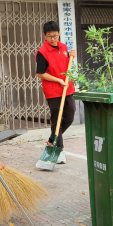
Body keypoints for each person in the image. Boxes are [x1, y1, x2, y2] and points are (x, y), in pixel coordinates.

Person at [35, 21, 76, 164]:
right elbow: (40, 74)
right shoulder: (42, 53)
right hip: (53, 91)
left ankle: (52, 140)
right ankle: (59, 151)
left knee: (69, 116)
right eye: (50, 36)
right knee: (56, 121)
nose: (53, 39)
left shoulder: (63, 47)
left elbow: (65, 65)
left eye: (55, 36)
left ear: (59, 34)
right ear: (44, 36)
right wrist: (58, 80)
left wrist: (72, 56)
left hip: (67, 88)